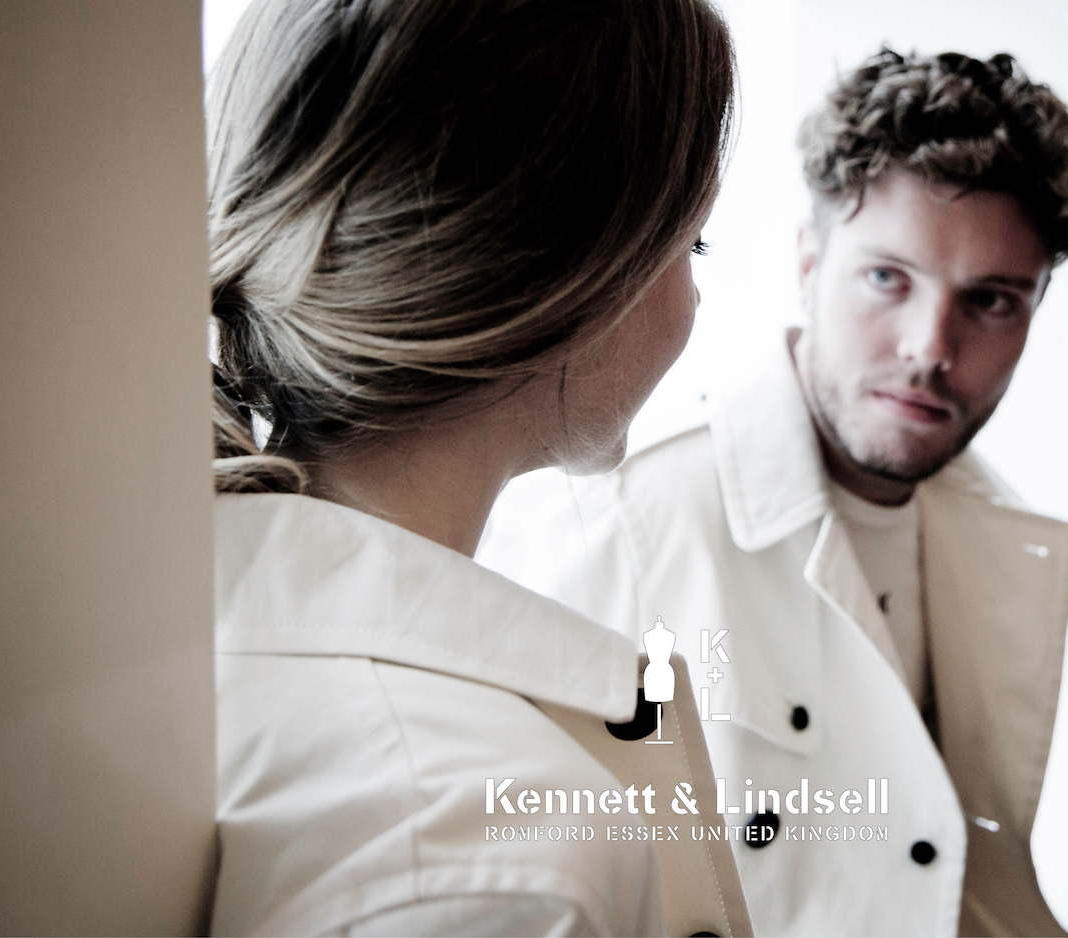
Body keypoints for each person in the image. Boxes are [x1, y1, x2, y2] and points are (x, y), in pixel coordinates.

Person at [480, 49, 1068, 936]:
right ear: (809, 261)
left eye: (991, 301)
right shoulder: (622, 521)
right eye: (888, 278)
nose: (930, 346)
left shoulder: (1000, 527)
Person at [205, 1, 750, 935]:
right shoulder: (487, 858)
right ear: (572, 275)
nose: (693, 298)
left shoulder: (186, 630)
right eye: (690, 243)